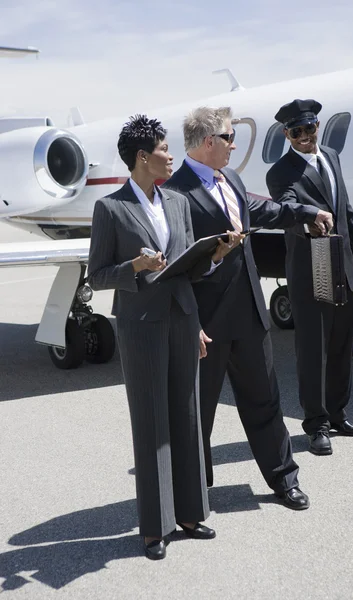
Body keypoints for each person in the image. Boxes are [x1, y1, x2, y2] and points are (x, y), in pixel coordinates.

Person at [163, 106, 333, 510]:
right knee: (197, 414)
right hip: (205, 323)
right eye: (228, 137)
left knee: (265, 401)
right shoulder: (175, 192)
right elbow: (175, 264)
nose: (234, 144)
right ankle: (193, 493)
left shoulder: (231, 178)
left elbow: (261, 210)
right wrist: (216, 258)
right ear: (208, 142)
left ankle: (283, 479)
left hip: (249, 315)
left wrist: (305, 213)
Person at [88, 115, 241, 560]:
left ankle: (191, 514)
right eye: (163, 148)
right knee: (153, 422)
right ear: (142, 157)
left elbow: (190, 269)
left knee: (187, 418)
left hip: (182, 318)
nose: (171, 155)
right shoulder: (111, 208)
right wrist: (134, 268)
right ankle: (154, 528)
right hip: (141, 326)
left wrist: (216, 255)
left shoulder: (176, 202)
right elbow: (97, 276)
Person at [266, 98, 353, 456]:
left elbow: (345, 208)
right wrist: (310, 214)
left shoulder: (331, 156)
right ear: (287, 135)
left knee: (342, 346)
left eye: (309, 128)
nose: (303, 136)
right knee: (313, 351)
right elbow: (285, 210)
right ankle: (315, 425)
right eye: (295, 132)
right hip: (310, 269)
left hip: (342, 264)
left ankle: (337, 414)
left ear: (318, 126)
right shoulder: (280, 172)